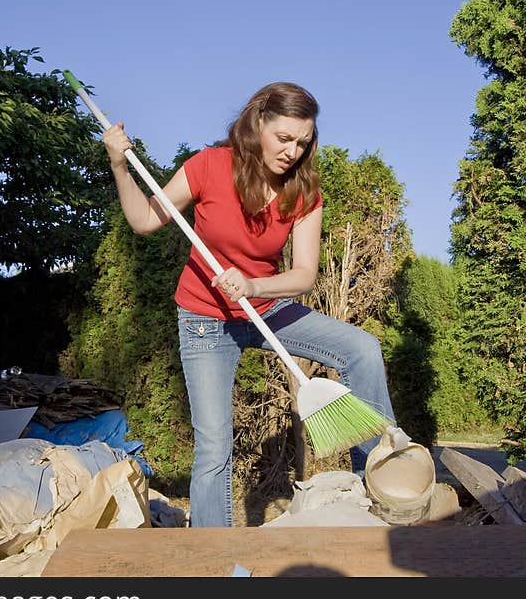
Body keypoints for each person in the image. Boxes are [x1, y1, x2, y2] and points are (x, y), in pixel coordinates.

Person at [102, 81, 396, 527]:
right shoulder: (208, 166)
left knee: (362, 349)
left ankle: (384, 487)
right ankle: (213, 561)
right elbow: (144, 220)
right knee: (214, 450)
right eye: (283, 138)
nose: (292, 151)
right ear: (259, 123)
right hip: (205, 320)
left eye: (303, 141)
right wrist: (119, 165)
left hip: (266, 309)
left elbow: (303, 275)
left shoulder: (304, 190)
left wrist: (255, 287)